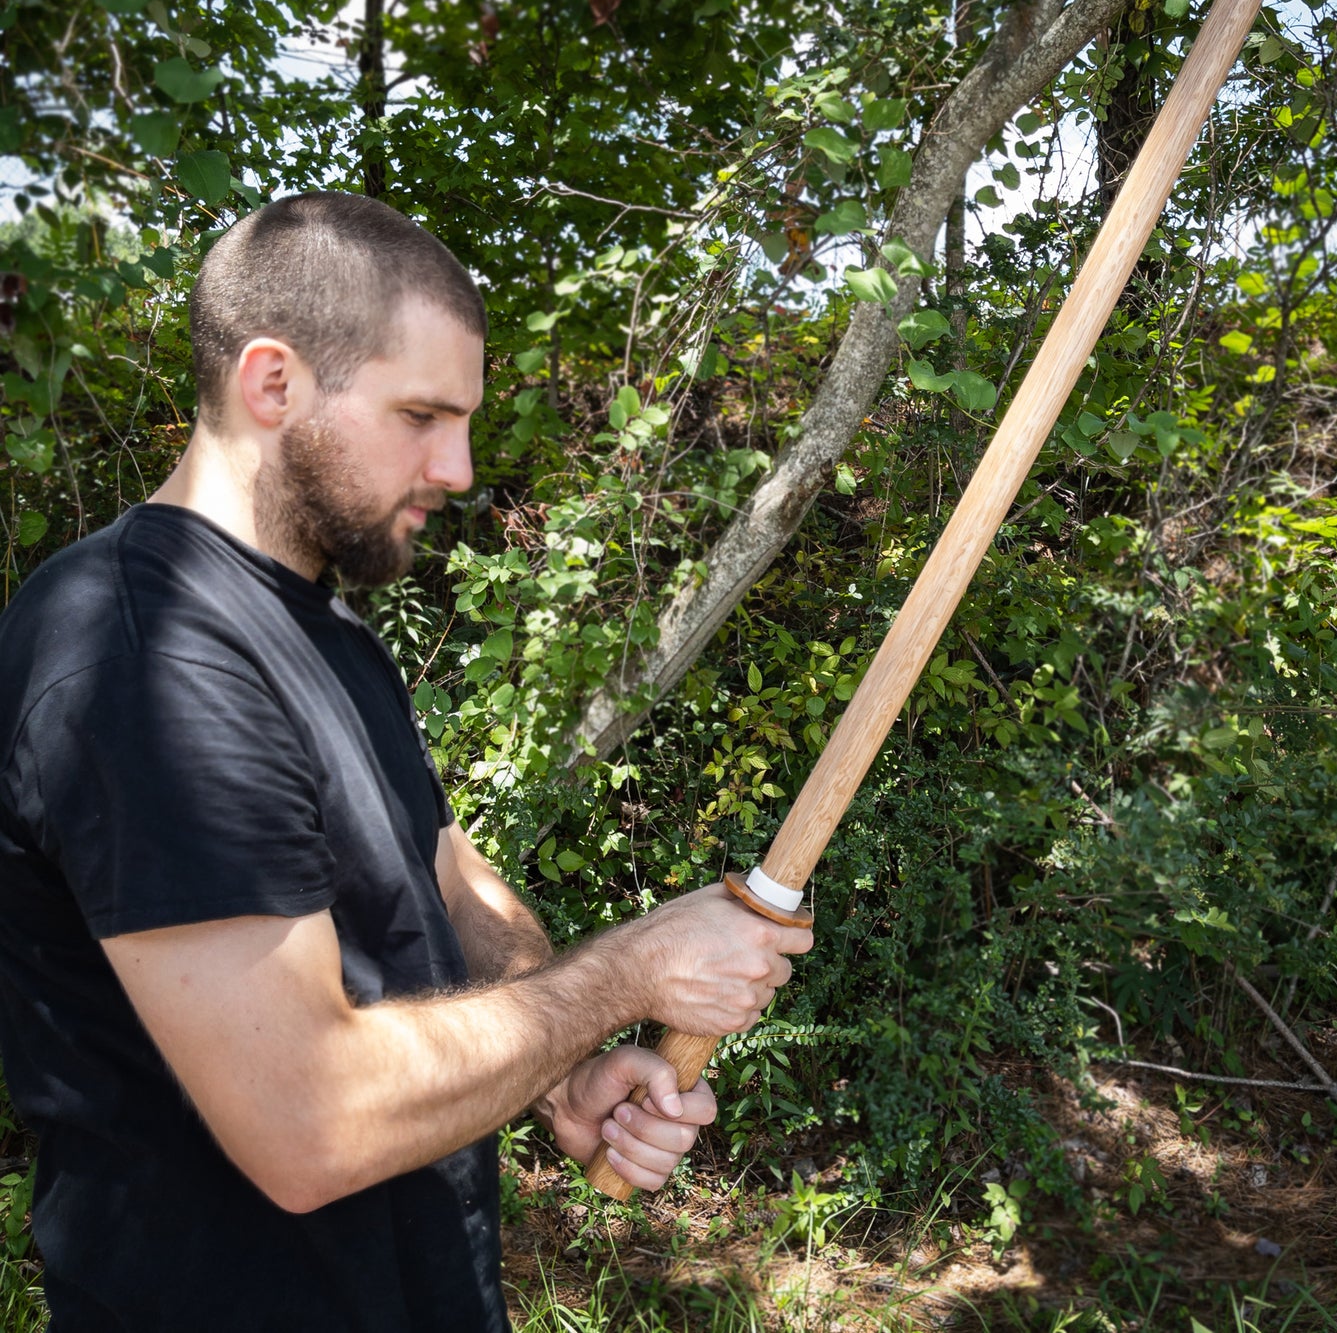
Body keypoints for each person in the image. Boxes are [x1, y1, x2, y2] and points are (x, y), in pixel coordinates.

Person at [0, 192, 811, 1330]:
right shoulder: (144, 651)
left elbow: (441, 883)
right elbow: (308, 1120)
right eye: (422, 413)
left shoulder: (331, 636)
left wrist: (558, 1073)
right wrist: (627, 973)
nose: (461, 466)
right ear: (272, 383)